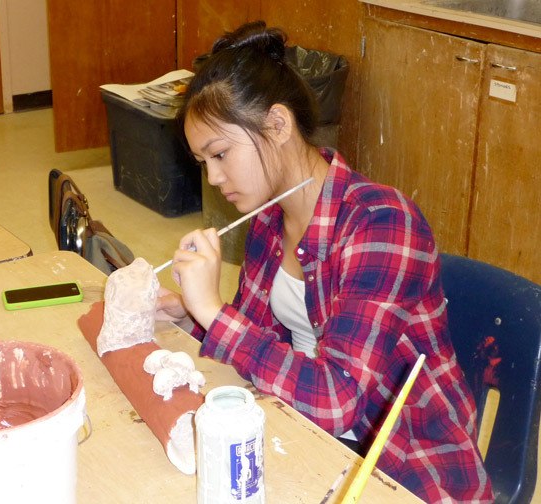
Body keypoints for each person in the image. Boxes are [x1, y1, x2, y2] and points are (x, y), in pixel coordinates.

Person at [155, 20, 494, 503]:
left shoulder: (381, 222)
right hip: (316, 436)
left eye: (221, 154)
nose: (213, 178)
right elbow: (254, 344)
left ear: (277, 124)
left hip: (408, 468)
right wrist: (188, 314)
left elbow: (338, 400)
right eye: (203, 161)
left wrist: (213, 313)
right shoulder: (270, 222)